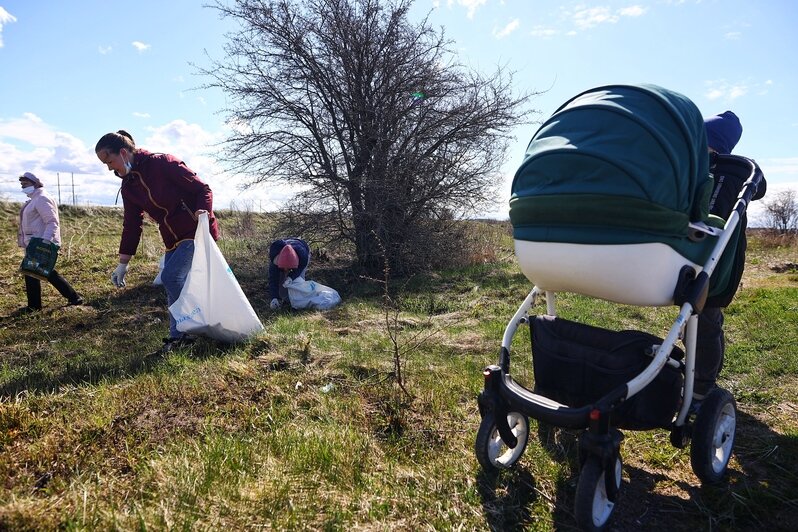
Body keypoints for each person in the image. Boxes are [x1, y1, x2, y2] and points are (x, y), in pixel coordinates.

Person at [95, 130, 219, 352]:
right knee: (171, 283)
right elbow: (132, 225)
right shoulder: (129, 187)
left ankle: (188, 332)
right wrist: (123, 264)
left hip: (196, 229)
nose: (109, 168)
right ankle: (179, 338)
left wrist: (204, 213)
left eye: (110, 161)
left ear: (123, 153)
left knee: (171, 276)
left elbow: (203, 188)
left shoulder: (162, 163)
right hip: (172, 238)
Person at [694, 111, 766, 403]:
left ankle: (703, 385)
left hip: (720, 261)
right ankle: (693, 375)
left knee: (706, 321)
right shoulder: (691, 169)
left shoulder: (731, 172)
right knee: (694, 320)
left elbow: (757, 186)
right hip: (691, 250)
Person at [16, 172, 84, 313]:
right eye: (22, 185)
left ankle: (72, 298)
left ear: (35, 183)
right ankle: (36, 305)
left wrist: (45, 242)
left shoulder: (41, 198)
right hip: (35, 242)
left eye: (26, 184)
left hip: (41, 242)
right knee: (35, 272)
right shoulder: (35, 198)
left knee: (41, 272)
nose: (23, 187)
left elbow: (52, 222)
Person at [268, 238, 310, 309]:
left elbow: (300, 269)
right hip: (281, 260)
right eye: (284, 268)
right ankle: (283, 300)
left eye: (288, 268)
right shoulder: (274, 262)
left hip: (302, 249)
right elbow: (273, 280)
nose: (286, 270)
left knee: (298, 280)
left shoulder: (303, 256)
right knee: (281, 281)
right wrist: (274, 297)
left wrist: (291, 277)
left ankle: (299, 303)